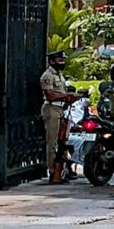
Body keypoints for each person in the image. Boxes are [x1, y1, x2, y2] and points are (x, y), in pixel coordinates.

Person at [40, 51, 72, 183]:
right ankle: (53, 171)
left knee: (62, 141)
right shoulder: (47, 76)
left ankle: (62, 170)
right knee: (52, 142)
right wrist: (67, 96)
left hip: (60, 108)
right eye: (60, 60)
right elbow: (50, 95)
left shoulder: (59, 75)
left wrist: (69, 98)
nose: (62, 62)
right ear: (52, 61)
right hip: (52, 108)